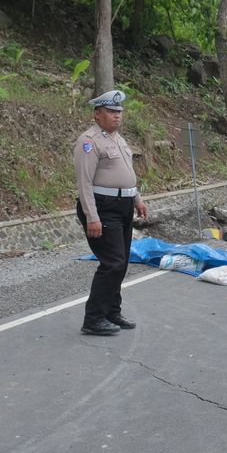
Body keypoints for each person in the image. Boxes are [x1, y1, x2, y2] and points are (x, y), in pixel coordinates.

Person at [73, 89, 148, 336]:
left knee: (121, 262)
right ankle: (93, 318)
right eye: (110, 111)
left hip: (123, 205)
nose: (117, 115)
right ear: (97, 114)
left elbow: (126, 174)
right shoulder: (89, 141)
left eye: (119, 111)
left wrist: (137, 199)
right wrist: (92, 217)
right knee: (112, 262)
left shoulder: (118, 139)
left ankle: (111, 312)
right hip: (103, 207)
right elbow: (84, 182)